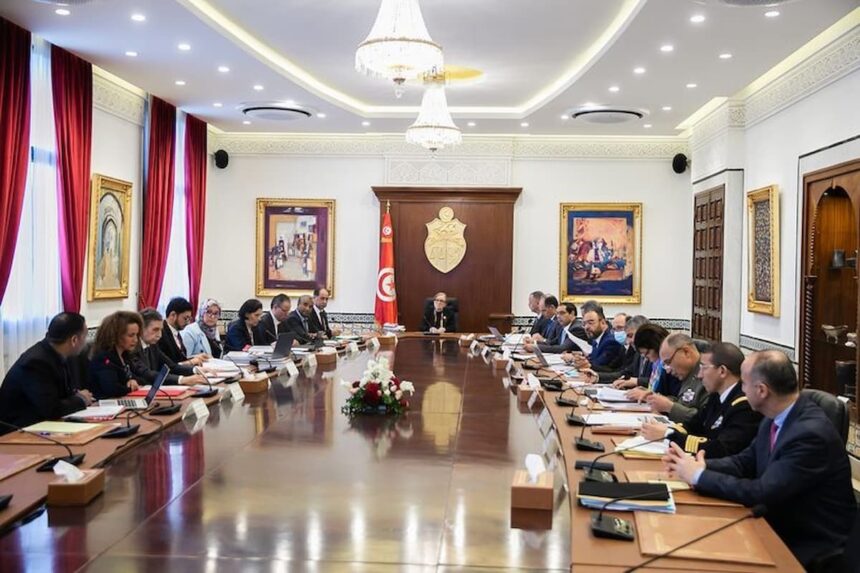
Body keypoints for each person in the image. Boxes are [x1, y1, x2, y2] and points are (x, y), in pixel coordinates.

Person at [664, 350, 857, 568]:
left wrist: (699, 476)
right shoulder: (776, 416)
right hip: (776, 523)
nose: (742, 389)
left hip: (806, 544)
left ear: (762, 390)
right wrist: (701, 466)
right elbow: (745, 461)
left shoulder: (810, 435)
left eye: (744, 384)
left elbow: (762, 492)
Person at [641, 342, 761, 458]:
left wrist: (669, 435)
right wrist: (667, 430)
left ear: (722, 371)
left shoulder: (745, 405)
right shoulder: (717, 396)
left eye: (704, 367)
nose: (699, 375)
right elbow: (694, 424)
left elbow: (723, 449)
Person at [0, 313, 94, 432]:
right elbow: (51, 409)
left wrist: (76, 395)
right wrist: (81, 400)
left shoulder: (55, 353)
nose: (85, 342)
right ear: (74, 340)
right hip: (17, 431)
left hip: (43, 425)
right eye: (84, 337)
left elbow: (60, 393)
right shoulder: (36, 362)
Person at [643, 332, 709, 423]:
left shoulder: (708, 374)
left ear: (686, 352)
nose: (668, 370)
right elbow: (685, 402)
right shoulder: (688, 373)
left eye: (668, 362)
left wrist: (670, 407)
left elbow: (705, 420)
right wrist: (661, 400)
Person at [133, 309, 206, 386]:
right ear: (141, 328)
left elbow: (171, 366)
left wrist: (196, 370)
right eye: (155, 330)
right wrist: (182, 380)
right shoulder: (132, 348)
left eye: (160, 330)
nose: (160, 335)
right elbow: (147, 374)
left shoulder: (153, 345)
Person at [88, 311, 143, 398]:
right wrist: (130, 388)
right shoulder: (103, 358)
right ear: (116, 335)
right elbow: (112, 389)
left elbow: (136, 376)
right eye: (131, 335)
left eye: (137, 335)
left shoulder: (124, 355)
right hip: (105, 403)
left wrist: (133, 381)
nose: (136, 340)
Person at [582, 315, 651, 385]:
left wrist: (637, 381)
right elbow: (624, 373)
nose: (629, 341)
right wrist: (597, 377)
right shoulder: (637, 353)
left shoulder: (655, 353)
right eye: (614, 329)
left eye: (631, 336)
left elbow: (655, 381)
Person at [158, 297, 200, 365]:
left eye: (189, 319)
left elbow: (180, 358)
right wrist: (191, 362)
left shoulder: (176, 332)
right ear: (173, 315)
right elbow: (167, 364)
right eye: (185, 318)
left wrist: (196, 357)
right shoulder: (160, 333)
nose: (188, 322)